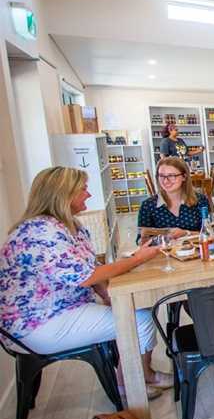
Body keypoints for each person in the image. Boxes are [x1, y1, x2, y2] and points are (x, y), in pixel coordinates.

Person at [0, 166, 171, 400]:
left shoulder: (69, 225)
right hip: (38, 324)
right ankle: (129, 386)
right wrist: (138, 259)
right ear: (64, 195)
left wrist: (110, 296)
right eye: (83, 190)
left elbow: (91, 270)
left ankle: (143, 374)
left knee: (136, 308)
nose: (88, 195)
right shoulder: (41, 232)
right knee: (139, 319)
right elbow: (86, 276)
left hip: (60, 309)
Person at [137, 157, 208, 237]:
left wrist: (186, 233)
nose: (165, 181)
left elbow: (209, 234)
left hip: (196, 249)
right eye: (161, 176)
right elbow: (140, 240)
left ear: (184, 177)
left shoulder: (200, 200)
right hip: (162, 249)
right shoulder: (147, 206)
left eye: (171, 176)